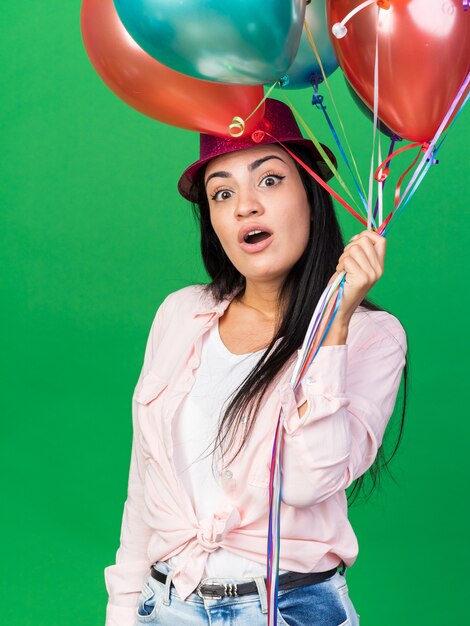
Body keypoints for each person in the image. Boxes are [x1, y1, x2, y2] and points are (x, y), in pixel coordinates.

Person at [104, 98, 408, 626]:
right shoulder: (180, 314)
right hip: (168, 606)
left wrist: (333, 325)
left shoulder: (371, 337)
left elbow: (308, 483)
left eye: (269, 180)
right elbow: (143, 490)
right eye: (223, 192)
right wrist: (123, 612)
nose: (245, 205)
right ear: (214, 223)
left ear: (312, 196)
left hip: (287, 609)